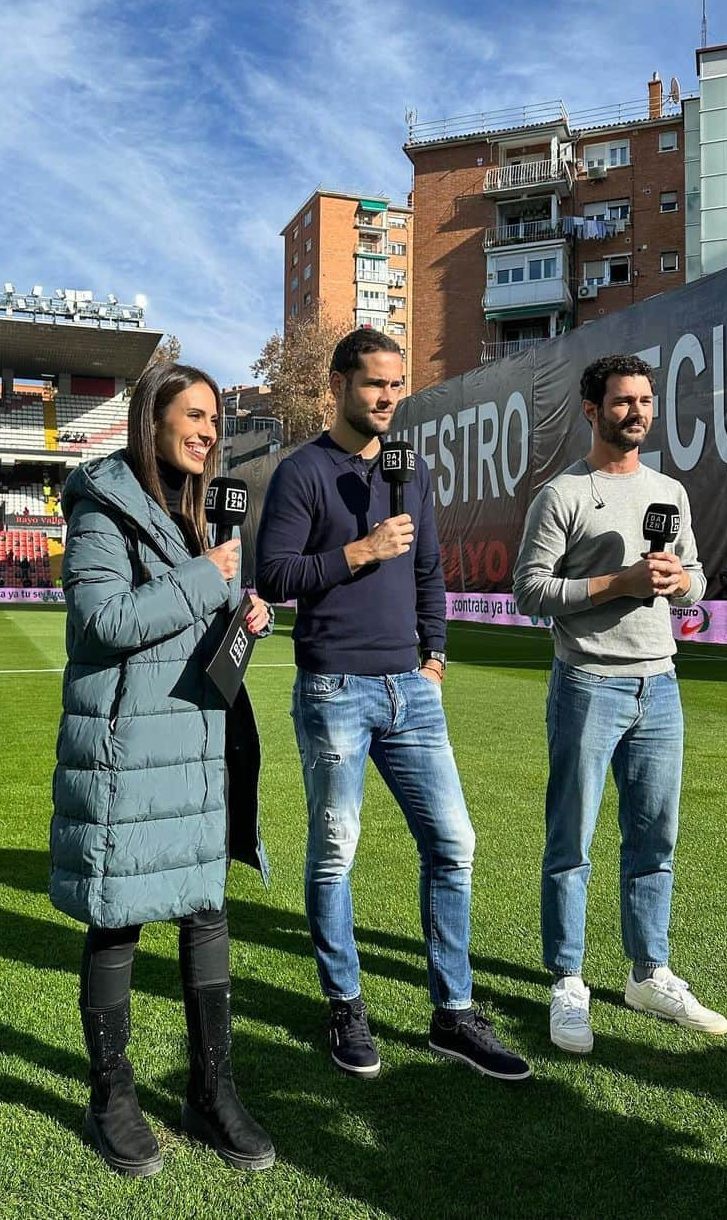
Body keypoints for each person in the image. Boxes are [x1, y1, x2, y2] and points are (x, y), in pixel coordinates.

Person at [255, 329, 530, 1083]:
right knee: (335, 852)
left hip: (412, 689)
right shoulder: (300, 473)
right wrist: (361, 551)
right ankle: (344, 1002)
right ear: (338, 384)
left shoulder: (413, 470)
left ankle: (454, 1013)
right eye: (374, 383)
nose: (387, 398)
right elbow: (275, 575)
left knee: (454, 844)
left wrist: (435, 656)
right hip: (334, 687)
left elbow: (432, 568)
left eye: (396, 385)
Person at [50, 361, 275, 1177]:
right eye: (195, 414)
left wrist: (251, 611)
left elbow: (202, 617)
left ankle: (211, 1092)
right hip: (131, 751)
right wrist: (207, 576)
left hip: (198, 743)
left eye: (215, 419)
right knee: (118, 917)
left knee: (205, 910)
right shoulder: (102, 504)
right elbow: (103, 619)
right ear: (151, 421)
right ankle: (110, 1093)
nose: (210, 431)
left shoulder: (196, 513)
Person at [513, 353, 727, 1055]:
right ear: (591, 409)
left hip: (660, 684)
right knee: (570, 842)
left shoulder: (670, 490)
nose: (635, 412)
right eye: (622, 402)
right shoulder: (562, 495)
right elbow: (531, 592)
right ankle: (568, 982)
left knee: (654, 841)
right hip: (587, 685)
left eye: (644, 401)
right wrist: (620, 582)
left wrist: (675, 580)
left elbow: (696, 582)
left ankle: (647, 973)